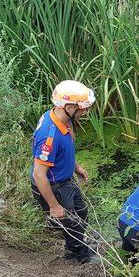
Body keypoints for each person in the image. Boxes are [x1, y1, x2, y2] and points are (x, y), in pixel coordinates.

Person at [31, 80, 96, 264]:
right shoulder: (49, 137)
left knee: (81, 213)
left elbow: (64, 150)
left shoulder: (62, 118)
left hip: (66, 180)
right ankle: (80, 258)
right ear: (68, 106)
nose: (84, 112)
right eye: (82, 108)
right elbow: (38, 175)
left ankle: (73, 247)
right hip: (54, 186)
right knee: (72, 224)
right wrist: (54, 205)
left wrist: (76, 167)